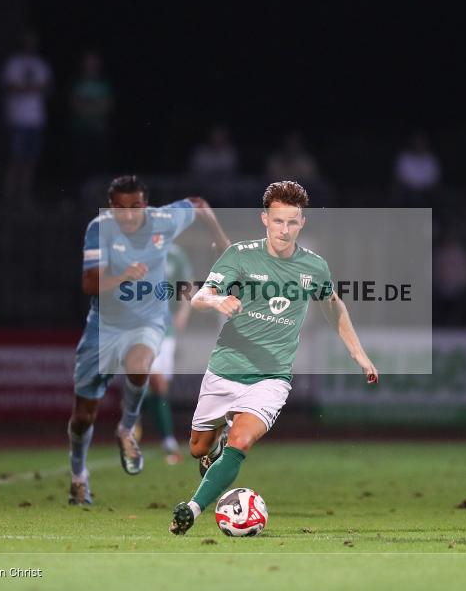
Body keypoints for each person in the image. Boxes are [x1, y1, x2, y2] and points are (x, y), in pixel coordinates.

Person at [168, 180, 378, 534]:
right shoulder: (241, 255)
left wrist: (359, 354)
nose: (284, 229)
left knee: (241, 441)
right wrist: (218, 300)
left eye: (292, 222)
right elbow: (201, 296)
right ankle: (213, 449)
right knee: (198, 448)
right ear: (264, 218)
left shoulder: (314, 267)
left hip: (271, 377)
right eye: (278, 221)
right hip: (226, 369)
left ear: (302, 223)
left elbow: (333, 306)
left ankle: (192, 508)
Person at [68, 175, 230, 505]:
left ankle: (127, 429)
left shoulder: (163, 219)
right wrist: (122, 276)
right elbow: (88, 283)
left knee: (141, 365)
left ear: (146, 204)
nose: (128, 214)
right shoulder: (99, 229)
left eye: (135, 206)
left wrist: (221, 240)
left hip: (149, 321)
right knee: (83, 416)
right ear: (110, 206)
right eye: (120, 208)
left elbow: (198, 204)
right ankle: (78, 476)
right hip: (104, 326)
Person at [144, 243, 194, 465]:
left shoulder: (176, 254)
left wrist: (183, 311)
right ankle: (134, 424)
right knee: (154, 378)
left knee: (160, 385)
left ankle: (164, 437)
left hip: (167, 330)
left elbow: (187, 284)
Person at [2, 32, 51, 209]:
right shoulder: (13, 63)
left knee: (30, 160)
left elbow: (46, 88)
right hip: (17, 118)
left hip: (35, 119)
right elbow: (10, 86)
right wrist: (31, 88)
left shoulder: (41, 64)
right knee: (16, 159)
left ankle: (25, 196)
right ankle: (9, 197)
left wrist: (26, 88)